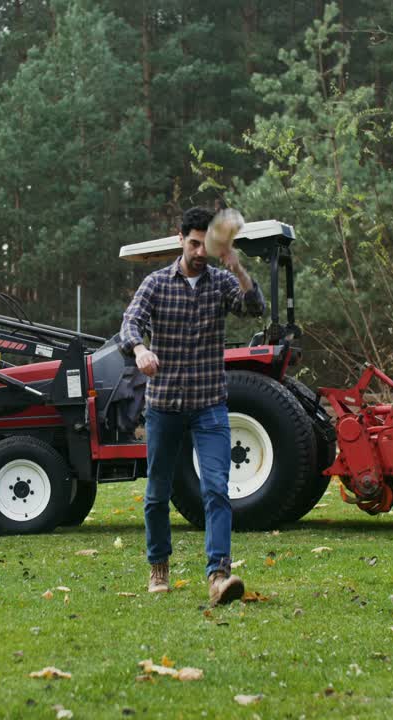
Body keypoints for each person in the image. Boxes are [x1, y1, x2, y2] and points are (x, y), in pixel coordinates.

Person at [119, 206, 266, 606]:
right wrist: (140, 349)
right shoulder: (155, 284)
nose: (201, 251)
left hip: (209, 406)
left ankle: (219, 574)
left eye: (207, 244)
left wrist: (237, 267)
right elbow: (129, 323)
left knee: (217, 487)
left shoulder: (220, 283)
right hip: (164, 405)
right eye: (194, 243)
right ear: (180, 239)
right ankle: (158, 566)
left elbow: (255, 307)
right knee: (156, 493)